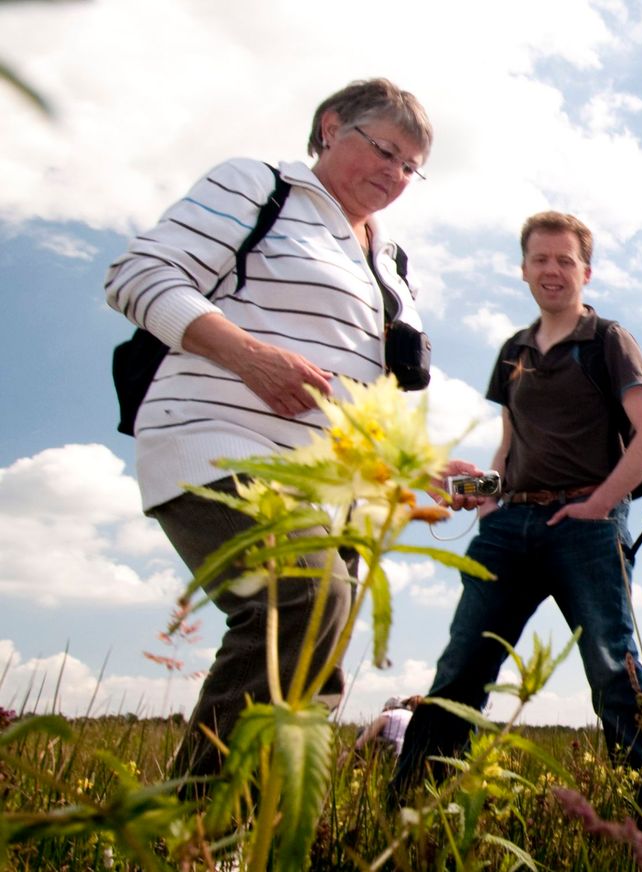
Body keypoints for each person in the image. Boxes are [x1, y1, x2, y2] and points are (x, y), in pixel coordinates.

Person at [103, 78, 484, 783]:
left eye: (411, 167)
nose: (396, 174)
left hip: (334, 486)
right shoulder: (261, 187)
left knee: (315, 662)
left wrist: (418, 468)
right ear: (331, 127)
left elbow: (360, 395)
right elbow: (140, 274)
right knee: (304, 597)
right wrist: (249, 355)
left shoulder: (391, 264)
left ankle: (262, 825)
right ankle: (199, 827)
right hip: (221, 435)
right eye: (385, 150)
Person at [389, 211, 642, 802]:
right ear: (523, 269)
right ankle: (413, 808)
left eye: (565, 260)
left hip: (587, 527)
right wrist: (480, 496)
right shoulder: (512, 351)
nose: (552, 270)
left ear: (586, 272)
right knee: (462, 667)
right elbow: (510, 451)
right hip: (508, 525)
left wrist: (598, 506)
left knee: (613, 670)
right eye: (540, 259)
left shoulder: (608, 340)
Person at [353, 696, 421, 762]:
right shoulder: (414, 716)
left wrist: (350, 751)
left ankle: (359, 764)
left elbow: (360, 743)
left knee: (362, 731)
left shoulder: (388, 714)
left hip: (394, 758)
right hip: (413, 758)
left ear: (388, 708)